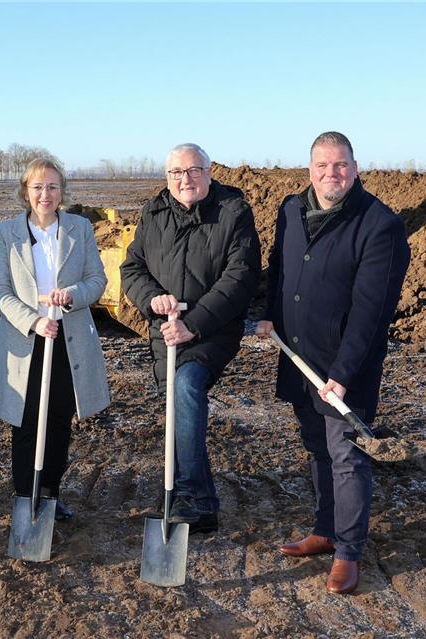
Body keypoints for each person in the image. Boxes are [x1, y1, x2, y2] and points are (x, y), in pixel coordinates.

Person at [256, 131, 410, 594]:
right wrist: (268, 313)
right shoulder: (291, 209)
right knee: (316, 447)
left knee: (346, 457)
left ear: (355, 168)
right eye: (322, 166)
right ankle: (325, 531)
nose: (331, 174)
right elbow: (279, 267)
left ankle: (348, 551)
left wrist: (342, 374)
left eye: (340, 165)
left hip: (346, 368)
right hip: (299, 357)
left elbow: (372, 312)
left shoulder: (379, 224)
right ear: (310, 170)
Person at [121, 143, 260, 533]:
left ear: (209, 173)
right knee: (179, 407)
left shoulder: (233, 212)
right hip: (166, 331)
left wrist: (194, 324)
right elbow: (132, 268)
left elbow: (240, 278)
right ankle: (196, 498)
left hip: (212, 330)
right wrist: (152, 298)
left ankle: (191, 496)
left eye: (194, 170)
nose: (185, 179)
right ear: (167, 177)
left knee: (186, 387)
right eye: (177, 173)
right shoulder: (153, 213)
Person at [0, 158, 110, 521]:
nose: (45, 194)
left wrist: (71, 296)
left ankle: (50, 495)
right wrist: (34, 321)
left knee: (58, 420)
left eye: (53, 187)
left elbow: (96, 280)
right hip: (26, 340)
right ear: (25, 191)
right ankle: (26, 496)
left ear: (62, 192)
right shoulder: (6, 233)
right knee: (26, 421)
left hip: (68, 341)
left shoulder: (79, 229)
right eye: (38, 187)